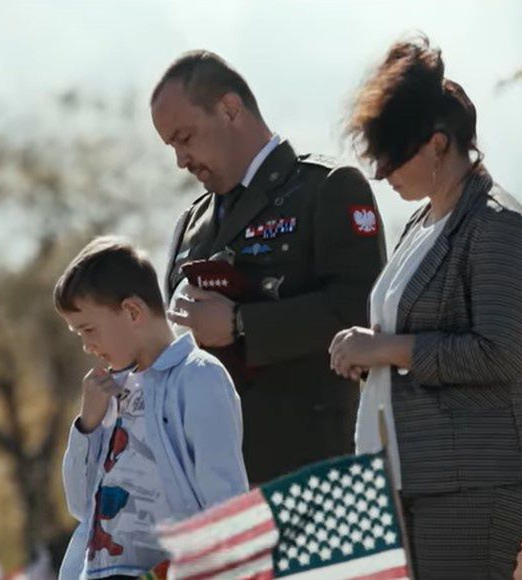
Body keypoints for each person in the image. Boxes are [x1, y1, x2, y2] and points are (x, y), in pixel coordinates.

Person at [329, 35, 522, 578]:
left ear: (438, 144)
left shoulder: (500, 225)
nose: (382, 172)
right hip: (407, 479)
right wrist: (371, 350)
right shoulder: (419, 222)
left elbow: (496, 355)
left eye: (393, 154)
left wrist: (386, 348)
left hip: (472, 484)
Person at [150, 50, 385, 484]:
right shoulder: (191, 225)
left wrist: (242, 323)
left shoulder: (326, 189)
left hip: (316, 472)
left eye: (185, 137)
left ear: (230, 109)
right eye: (171, 146)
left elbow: (361, 311)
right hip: (216, 484)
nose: (181, 160)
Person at [54, 237, 248, 580]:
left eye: (88, 329)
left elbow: (225, 498)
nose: (87, 346)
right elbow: (81, 505)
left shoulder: (198, 377)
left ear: (132, 312)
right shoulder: (111, 391)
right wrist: (87, 425)